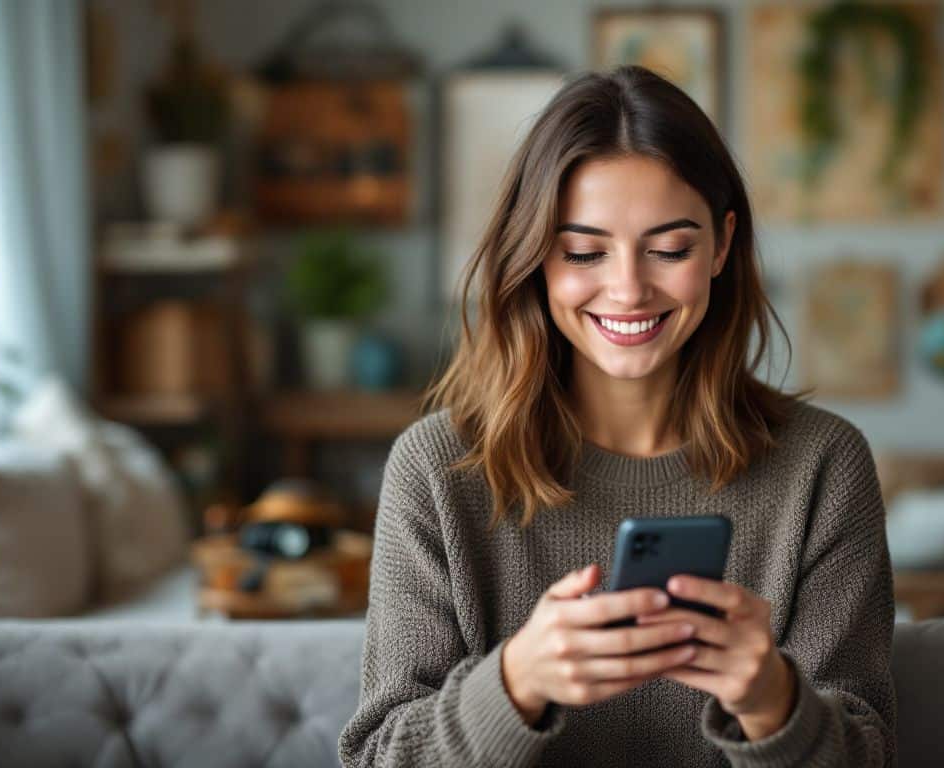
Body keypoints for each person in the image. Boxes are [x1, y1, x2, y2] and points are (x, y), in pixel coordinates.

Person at [339, 65, 895, 767]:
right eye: (583, 252)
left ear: (722, 245)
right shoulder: (437, 471)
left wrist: (771, 701)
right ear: (536, 254)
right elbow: (379, 758)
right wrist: (516, 684)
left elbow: (868, 754)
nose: (629, 289)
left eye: (670, 249)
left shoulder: (823, 466)